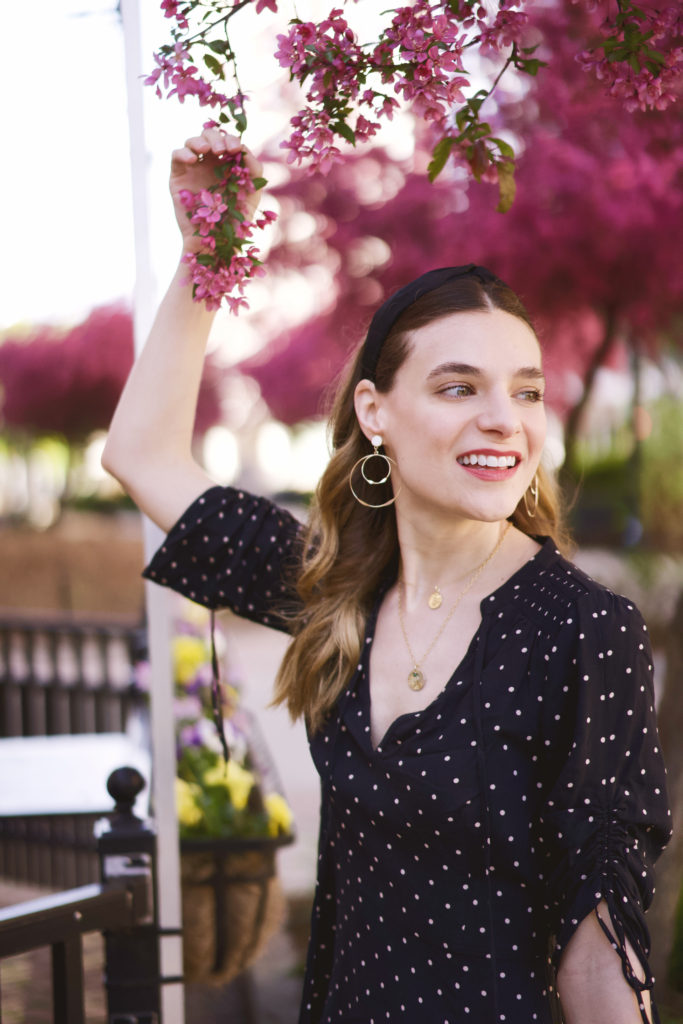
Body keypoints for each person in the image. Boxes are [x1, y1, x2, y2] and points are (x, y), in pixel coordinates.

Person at [103, 128, 671, 1024]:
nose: (504, 421)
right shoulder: (339, 590)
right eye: (457, 388)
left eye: (524, 390)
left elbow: (598, 936)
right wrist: (207, 252)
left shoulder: (584, 629)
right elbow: (140, 455)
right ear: (375, 411)